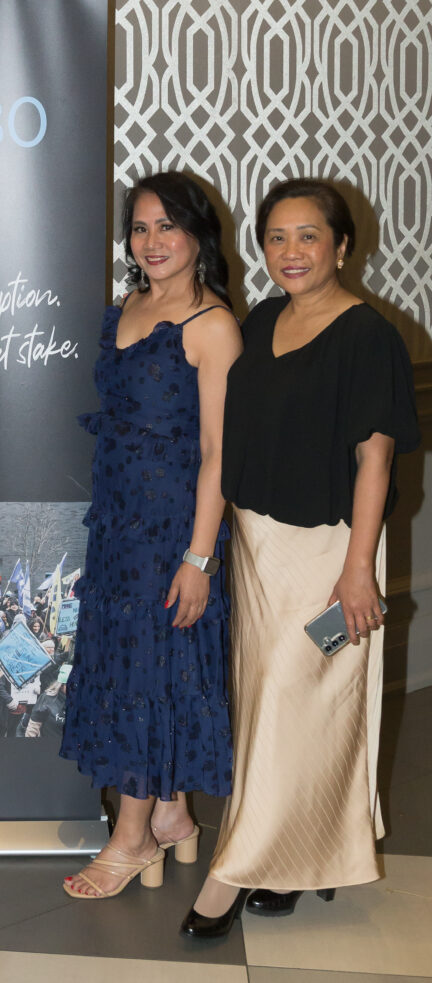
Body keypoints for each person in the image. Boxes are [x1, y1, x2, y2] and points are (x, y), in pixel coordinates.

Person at [181, 178, 420, 938]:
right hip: (259, 550)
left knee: (297, 698)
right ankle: (294, 857)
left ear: (342, 247)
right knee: (271, 707)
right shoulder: (262, 320)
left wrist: (358, 570)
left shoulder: (368, 337)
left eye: (308, 235)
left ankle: (233, 869)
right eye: (276, 237)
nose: (291, 251)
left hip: (328, 552)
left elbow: (375, 461)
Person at [60, 171, 242, 899]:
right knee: (137, 669)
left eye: (168, 225)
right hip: (116, 529)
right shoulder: (127, 308)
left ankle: (131, 838)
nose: (152, 240)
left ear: (198, 234)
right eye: (140, 227)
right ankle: (171, 815)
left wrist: (199, 557)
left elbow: (220, 453)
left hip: (172, 532)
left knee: (147, 672)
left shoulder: (213, 325)